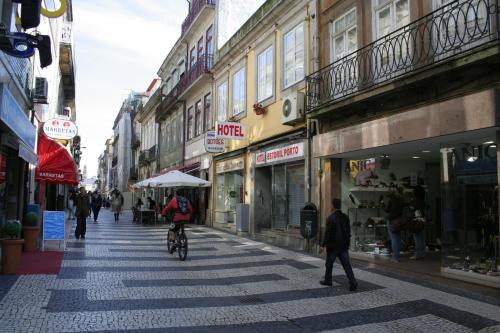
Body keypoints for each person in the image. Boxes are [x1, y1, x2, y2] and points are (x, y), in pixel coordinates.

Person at [320, 198, 358, 291]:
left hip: (333, 246)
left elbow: (327, 233)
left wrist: (323, 245)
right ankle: (353, 282)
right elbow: (348, 232)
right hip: (343, 246)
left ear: (333, 206)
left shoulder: (331, 217)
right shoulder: (345, 217)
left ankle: (328, 280)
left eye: (331, 204)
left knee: (329, 264)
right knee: (347, 265)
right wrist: (347, 243)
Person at [381, 188, 406, 262]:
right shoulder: (401, 199)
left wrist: (382, 203)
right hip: (399, 220)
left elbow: (387, 210)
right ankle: (397, 256)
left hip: (392, 220)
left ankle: (396, 258)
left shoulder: (391, 200)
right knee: (398, 238)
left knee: (394, 239)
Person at [409, 186, 426, 260]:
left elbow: (411, 208)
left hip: (416, 220)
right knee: (421, 237)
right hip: (422, 219)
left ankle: (417, 254)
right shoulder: (422, 200)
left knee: (417, 237)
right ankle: (422, 253)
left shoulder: (415, 200)